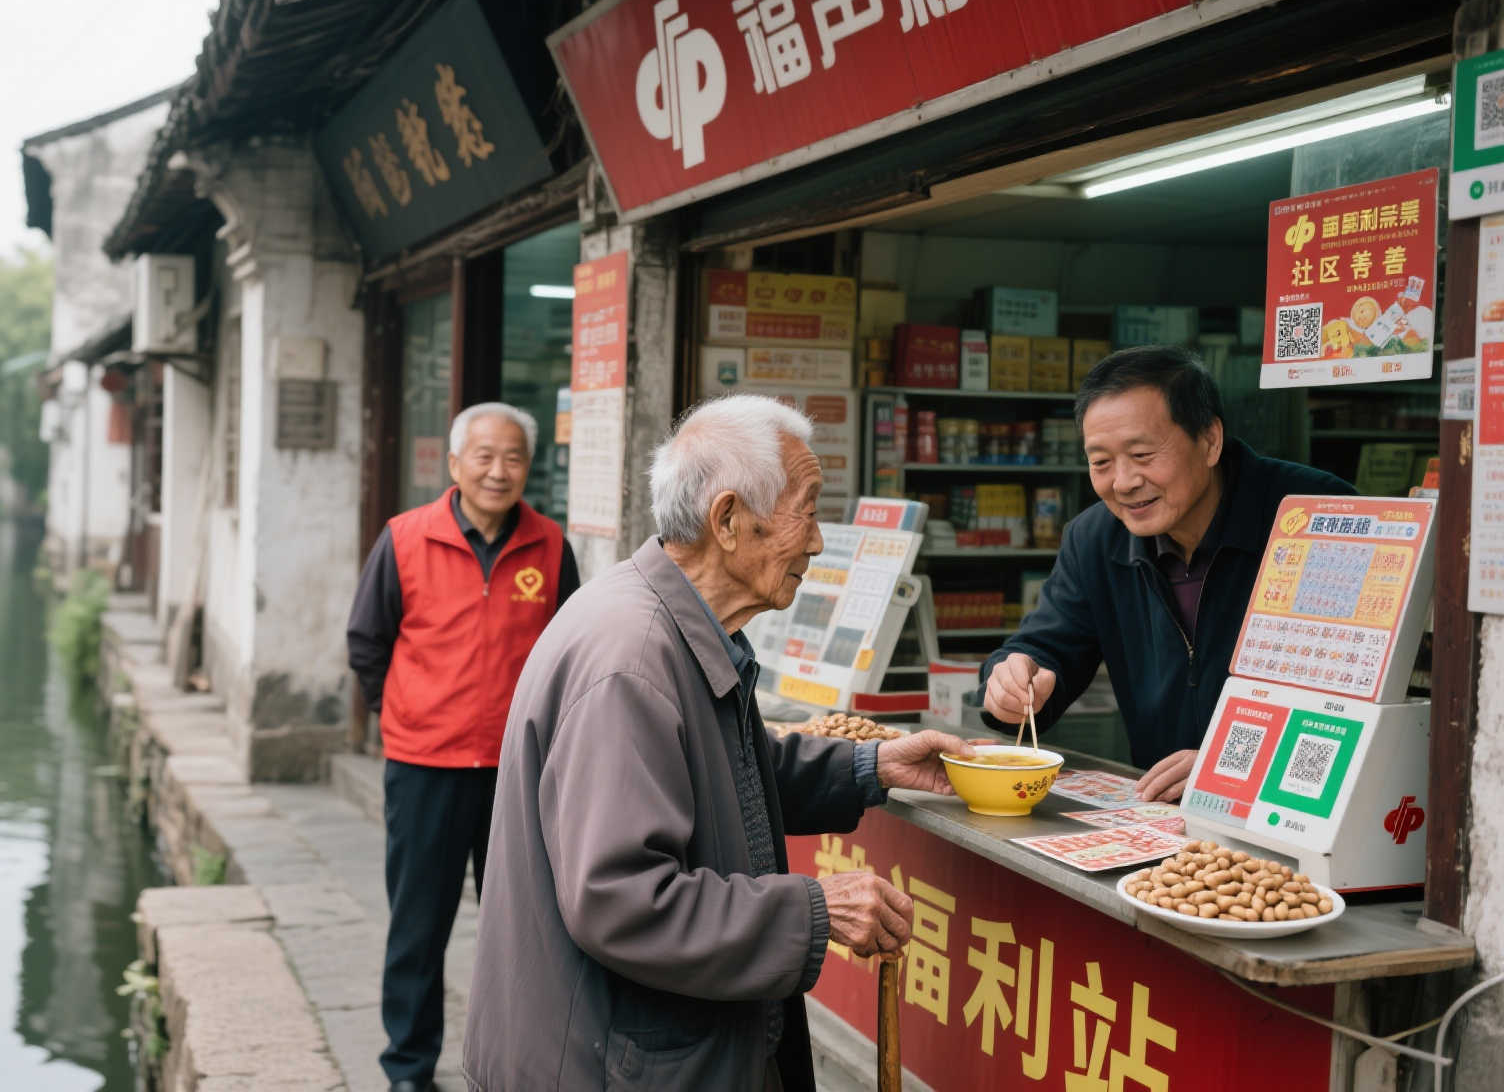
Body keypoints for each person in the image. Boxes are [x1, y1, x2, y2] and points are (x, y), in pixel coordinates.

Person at [463, 396, 973, 1092]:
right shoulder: (633, 660)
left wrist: (870, 765)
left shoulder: (667, 622)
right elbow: (622, 899)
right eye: (808, 509)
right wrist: (817, 910)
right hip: (610, 1063)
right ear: (727, 520)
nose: (818, 542)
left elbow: (720, 773)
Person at [980, 346, 1353, 801]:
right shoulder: (1095, 539)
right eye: (1100, 462)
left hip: (1298, 809)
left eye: (1142, 454)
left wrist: (1232, 764)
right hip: (1161, 815)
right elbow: (1045, 648)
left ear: (1210, 441)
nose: (1122, 481)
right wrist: (1011, 682)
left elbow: (1353, 697)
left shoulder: (1321, 515)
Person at [346, 401, 579, 1092]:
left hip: (518, 771)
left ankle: (520, 1064)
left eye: (513, 458)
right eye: (483, 456)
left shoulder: (551, 546)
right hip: (425, 769)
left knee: (526, 930)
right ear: (455, 463)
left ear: (528, 468)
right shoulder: (404, 538)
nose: (498, 471)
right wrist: (408, 713)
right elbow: (367, 642)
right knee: (419, 927)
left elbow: (572, 652)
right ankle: (409, 1071)